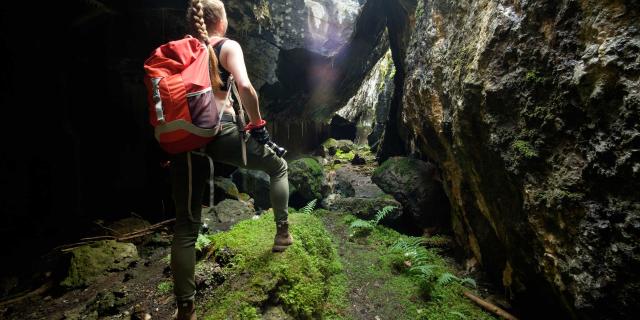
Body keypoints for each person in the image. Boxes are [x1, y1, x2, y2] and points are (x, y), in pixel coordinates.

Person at [170, 1, 292, 319]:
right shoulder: (226, 45)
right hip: (220, 133)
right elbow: (247, 87)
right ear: (221, 21)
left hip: (184, 143)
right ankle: (282, 233)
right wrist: (257, 124)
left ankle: (186, 309)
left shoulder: (180, 52)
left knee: (185, 228)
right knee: (278, 166)